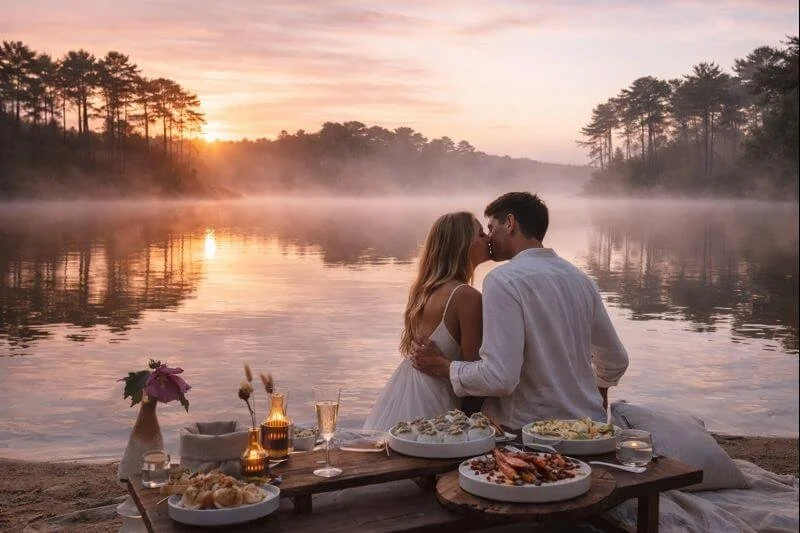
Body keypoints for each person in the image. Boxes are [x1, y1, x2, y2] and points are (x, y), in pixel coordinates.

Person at [411, 192, 629, 430]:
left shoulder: (503, 280)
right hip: (588, 429)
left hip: (526, 431)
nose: (489, 238)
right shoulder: (581, 280)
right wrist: (596, 398)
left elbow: (500, 378)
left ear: (510, 223)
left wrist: (442, 365)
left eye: (491, 227)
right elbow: (615, 360)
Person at [363, 211, 490, 431]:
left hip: (404, 395)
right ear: (462, 244)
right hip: (432, 405)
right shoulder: (465, 296)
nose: (488, 238)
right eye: (480, 234)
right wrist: (476, 429)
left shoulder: (426, 291)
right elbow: (474, 378)